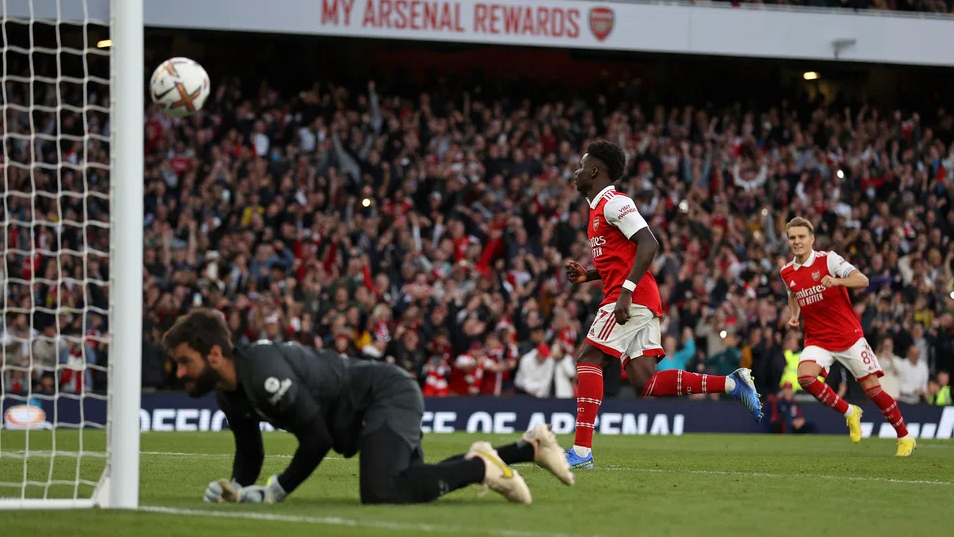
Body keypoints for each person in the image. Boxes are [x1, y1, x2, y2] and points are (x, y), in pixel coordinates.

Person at [161, 310, 575, 506]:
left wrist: (275, 491)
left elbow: (316, 438)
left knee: (381, 491)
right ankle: (527, 449)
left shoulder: (263, 373)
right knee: (412, 480)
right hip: (361, 413)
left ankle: (483, 466)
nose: (180, 373)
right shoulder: (227, 391)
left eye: (185, 361)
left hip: (385, 395)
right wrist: (235, 486)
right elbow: (250, 450)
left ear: (214, 354)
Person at [563, 141, 763, 469]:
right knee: (647, 383)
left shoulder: (614, 203)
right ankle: (732, 383)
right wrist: (587, 276)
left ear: (596, 171)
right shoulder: (597, 211)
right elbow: (619, 259)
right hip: (638, 297)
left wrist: (626, 292)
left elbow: (649, 243)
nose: (577, 172)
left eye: (582, 166)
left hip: (630, 298)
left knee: (588, 358)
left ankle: (582, 452)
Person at [781, 217, 916, 456]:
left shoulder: (829, 259)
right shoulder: (787, 271)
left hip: (848, 336)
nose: (797, 241)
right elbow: (793, 294)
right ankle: (850, 412)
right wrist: (794, 315)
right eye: (792, 237)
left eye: (801, 237)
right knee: (805, 378)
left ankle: (904, 436)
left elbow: (862, 280)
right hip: (817, 339)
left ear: (812, 239)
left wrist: (836, 281)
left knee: (872, 389)